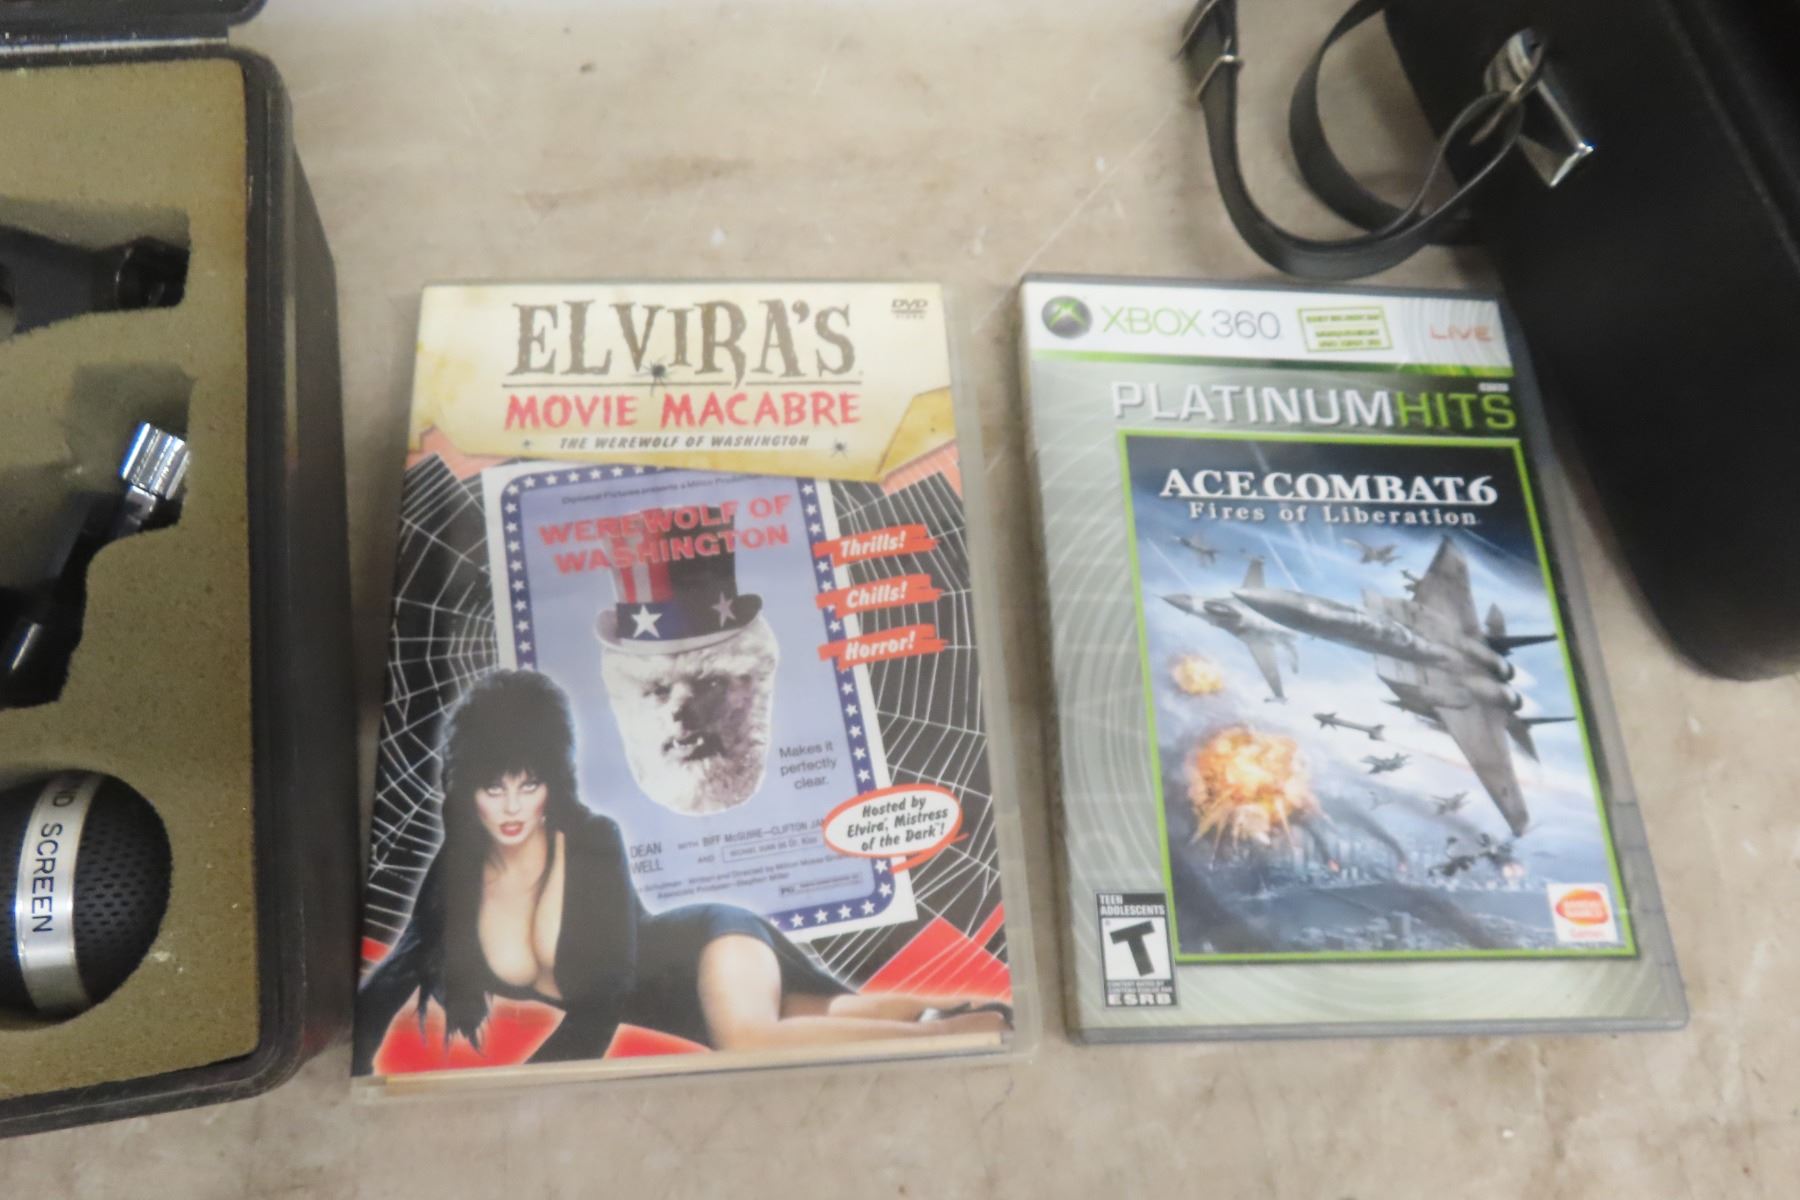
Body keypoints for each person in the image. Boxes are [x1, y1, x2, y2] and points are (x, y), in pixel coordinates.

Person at [353, 670, 1007, 1073]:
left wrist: (529, 1083)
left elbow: (606, 992)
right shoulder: (458, 871)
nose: (514, 807)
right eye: (494, 788)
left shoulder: (591, 842)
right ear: (466, 788)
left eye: (530, 784)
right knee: (825, 1016)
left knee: (750, 1039)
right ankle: (965, 1019)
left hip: (705, 947)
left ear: (553, 779)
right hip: (680, 1004)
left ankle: (954, 1037)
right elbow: (398, 972)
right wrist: (352, 1062)